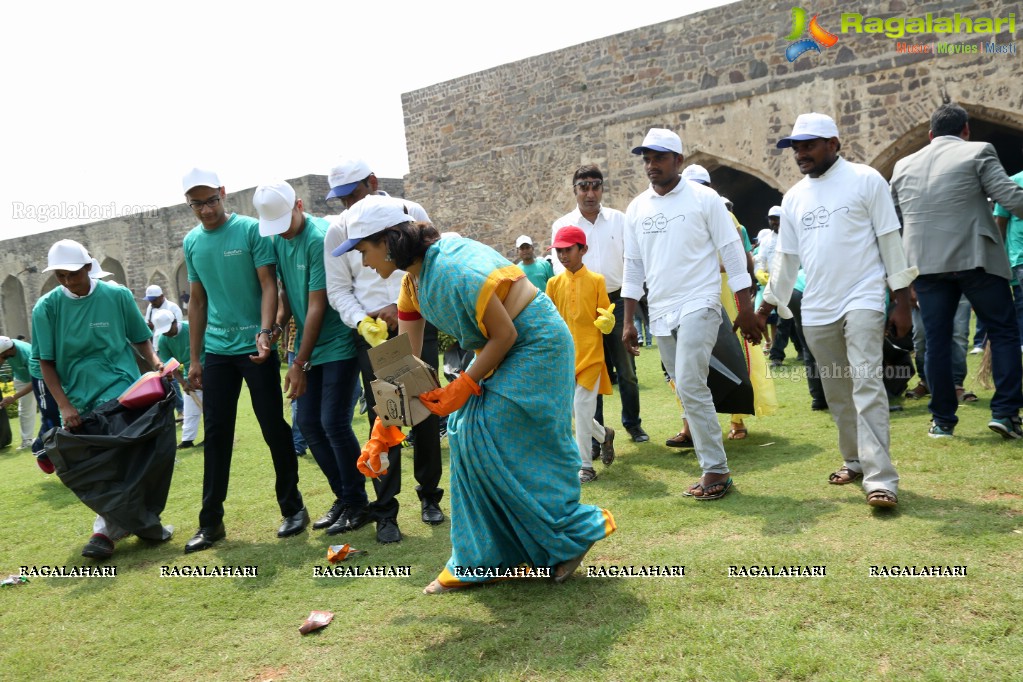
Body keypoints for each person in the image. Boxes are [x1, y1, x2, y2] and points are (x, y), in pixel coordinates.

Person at [336, 195, 615, 593]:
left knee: (481, 431)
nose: (363, 262)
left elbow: (507, 334)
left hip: (537, 344)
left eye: (364, 251)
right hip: (505, 348)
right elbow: (405, 363)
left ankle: (573, 533)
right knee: (467, 435)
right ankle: (485, 558)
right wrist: (383, 431)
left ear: (389, 240)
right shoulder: (413, 281)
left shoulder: (451, 269)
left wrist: (462, 386)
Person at [761, 112, 915, 508]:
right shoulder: (794, 197)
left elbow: (889, 239)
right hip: (816, 307)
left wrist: (901, 300)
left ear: (833, 143)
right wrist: (767, 306)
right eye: (795, 147)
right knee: (837, 392)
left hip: (863, 297)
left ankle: (882, 478)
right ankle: (855, 461)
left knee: (867, 383)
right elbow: (786, 259)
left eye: (808, 145)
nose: (800, 153)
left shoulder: (866, 180)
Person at [621, 127, 760, 501]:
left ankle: (716, 470)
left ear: (679, 160)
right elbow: (633, 266)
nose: (651, 165)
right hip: (662, 311)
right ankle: (713, 464)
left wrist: (745, 306)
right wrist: (628, 320)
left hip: (701, 301)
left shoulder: (704, 198)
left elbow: (731, 250)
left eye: (659, 157)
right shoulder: (636, 209)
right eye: (646, 158)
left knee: (690, 380)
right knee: (685, 387)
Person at [180, 168, 307, 553]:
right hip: (218, 351)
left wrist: (265, 332)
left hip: (256, 346)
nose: (205, 210)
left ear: (223, 193)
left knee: (272, 426)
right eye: (196, 204)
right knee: (216, 435)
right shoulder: (191, 242)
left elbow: (269, 284)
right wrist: (195, 358)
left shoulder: (252, 230)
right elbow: (197, 302)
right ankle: (211, 523)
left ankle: (293, 508)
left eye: (211, 200)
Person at [322, 157, 444, 544]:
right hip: (374, 335)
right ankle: (386, 511)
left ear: (372, 182)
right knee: (386, 416)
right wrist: (363, 321)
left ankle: (430, 496)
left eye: (353, 194)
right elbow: (339, 289)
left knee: (426, 410)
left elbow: (429, 268)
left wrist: (405, 307)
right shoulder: (338, 229)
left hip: (418, 322)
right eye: (340, 199)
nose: (348, 205)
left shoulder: (410, 212)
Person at [31, 239, 171, 559]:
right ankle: (121, 526)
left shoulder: (117, 296)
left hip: (122, 393)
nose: (67, 281)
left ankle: (107, 531)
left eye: (73, 274)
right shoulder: (47, 308)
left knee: (130, 462)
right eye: (60, 276)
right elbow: (46, 364)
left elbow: (140, 339)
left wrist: (156, 363)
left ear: (88, 267)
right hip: (81, 402)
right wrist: (64, 405)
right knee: (104, 469)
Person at [891, 103, 1023, 439]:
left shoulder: (903, 164)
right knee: (1004, 332)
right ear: (966, 130)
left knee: (936, 341)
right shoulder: (978, 151)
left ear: (931, 134)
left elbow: (893, 223)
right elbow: (1012, 199)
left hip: (926, 264)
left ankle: (942, 420)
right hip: (975, 257)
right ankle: (1006, 412)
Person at [253, 180, 366, 536]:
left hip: (336, 343)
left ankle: (358, 503)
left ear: (299, 205)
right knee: (309, 425)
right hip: (309, 347)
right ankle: (345, 498)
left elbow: (317, 305)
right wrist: (271, 330)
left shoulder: (319, 237)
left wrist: (298, 364)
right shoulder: (278, 238)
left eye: (286, 222)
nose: (282, 232)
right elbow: (289, 296)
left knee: (333, 423)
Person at [552, 165, 649, 444]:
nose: (590, 192)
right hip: (581, 305)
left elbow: (632, 261)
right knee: (588, 371)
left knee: (626, 369)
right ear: (575, 190)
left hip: (616, 301)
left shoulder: (619, 220)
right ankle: (597, 434)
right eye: (584, 186)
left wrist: (633, 303)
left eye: (596, 185)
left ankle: (633, 423)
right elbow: (560, 272)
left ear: (603, 188)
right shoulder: (563, 226)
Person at [545, 225, 617, 483]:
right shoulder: (553, 284)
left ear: (583, 249)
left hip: (591, 355)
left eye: (568, 250)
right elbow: (549, 320)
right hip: (564, 358)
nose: (563, 255)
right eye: (559, 251)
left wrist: (607, 321)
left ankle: (585, 465)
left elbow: (605, 316)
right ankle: (604, 435)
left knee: (580, 408)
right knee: (577, 412)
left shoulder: (597, 280)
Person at [150, 309, 203, 449]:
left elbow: (208, 349)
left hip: (206, 368)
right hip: (188, 374)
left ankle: (214, 436)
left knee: (212, 407)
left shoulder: (191, 328)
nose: (167, 333)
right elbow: (170, 365)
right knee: (190, 409)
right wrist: (184, 383)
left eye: (168, 329)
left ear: (175, 322)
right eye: (163, 331)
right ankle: (187, 440)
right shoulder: (163, 340)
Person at [0, 336, 36, 450]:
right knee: (24, 409)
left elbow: (35, 382)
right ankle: (27, 440)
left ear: (8, 351)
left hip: (38, 377)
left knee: (48, 405)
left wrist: (13, 397)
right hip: (20, 377)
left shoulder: (27, 354)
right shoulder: (7, 348)